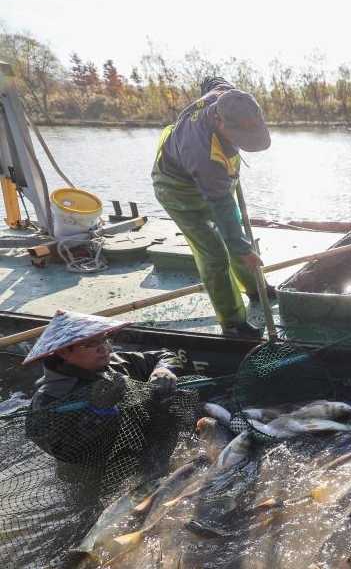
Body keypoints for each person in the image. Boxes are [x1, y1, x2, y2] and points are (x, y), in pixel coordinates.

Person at [152, 76, 272, 338]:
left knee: (238, 237)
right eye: (240, 137)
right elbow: (222, 205)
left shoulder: (228, 97)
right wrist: (240, 247)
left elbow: (211, 80)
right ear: (218, 121)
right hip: (179, 190)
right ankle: (233, 323)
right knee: (215, 253)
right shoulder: (204, 153)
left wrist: (240, 242)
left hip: (215, 182)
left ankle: (255, 288)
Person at [23, 310, 184, 465]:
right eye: (90, 344)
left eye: (105, 339)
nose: (105, 348)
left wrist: (163, 369)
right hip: (107, 466)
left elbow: (165, 355)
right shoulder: (48, 399)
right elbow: (65, 452)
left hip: (155, 444)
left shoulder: (115, 363)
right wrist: (101, 414)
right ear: (64, 352)